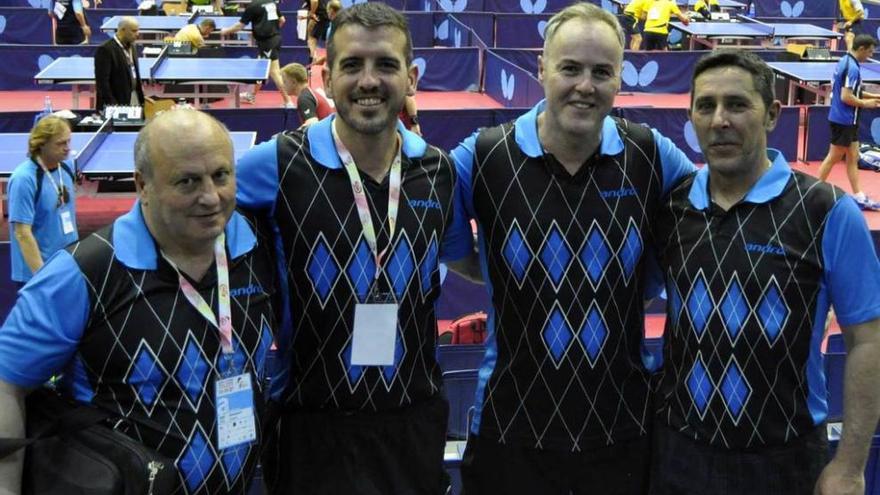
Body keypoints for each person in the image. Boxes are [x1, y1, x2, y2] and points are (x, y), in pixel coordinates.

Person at [447, 3, 695, 494]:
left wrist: (634, 283)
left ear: (619, 78)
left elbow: (707, 223)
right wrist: (503, 274)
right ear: (541, 68)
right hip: (509, 426)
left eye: (602, 72)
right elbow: (451, 247)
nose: (585, 85)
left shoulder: (651, 154)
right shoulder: (482, 156)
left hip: (622, 425)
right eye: (570, 68)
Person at [234, 3, 472, 493]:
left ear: (410, 79)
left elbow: (463, 259)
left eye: (385, 65)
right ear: (328, 74)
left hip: (413, 415)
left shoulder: (439, 171)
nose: (368, 80)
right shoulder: (273, 166)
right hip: (310, 421)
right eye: (352, 65)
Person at [0, 110, 279, 494]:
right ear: (141, 184)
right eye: (187, 182)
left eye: (221, 175)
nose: (210, 197)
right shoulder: (83, 274)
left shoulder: (257, 248)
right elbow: (6, 382)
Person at [650, 48, 880, 495]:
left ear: (773, 114)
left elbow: (868, 340)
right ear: (692, 116)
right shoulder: (673, 207)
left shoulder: (827, 211)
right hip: (678, 449)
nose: (720, 120)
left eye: (737, 104)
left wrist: (850, 464)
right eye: (706, 105)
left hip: (785, 457)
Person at [7, 116, 78, 287]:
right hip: (38, 274)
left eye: (69, 141)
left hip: (66, 266)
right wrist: (42, 276)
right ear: (42, 144)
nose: (67, 148)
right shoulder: (24, 179)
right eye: (61, 143)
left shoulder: (67, 167)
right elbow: (22, 233)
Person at [817, 34, 880, 211]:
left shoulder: (846, 58)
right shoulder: (852, 68)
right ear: (861, 49)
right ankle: (811, 194)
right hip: (843, 119)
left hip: (845, 119)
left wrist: (874, 95)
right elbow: (846, 96)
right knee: (833, 158)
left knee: (853, 157)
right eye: (869, 51)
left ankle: (858, 195)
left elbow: (854, 90)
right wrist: (866, 103)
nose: (870, 55)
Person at [220, 0, 290, 107]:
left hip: (267, 43)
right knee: (259, 70)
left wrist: (225, 31)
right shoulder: (271, 2)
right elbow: (282, 20)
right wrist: (272, 30)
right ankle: (252, 95)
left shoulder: (252, 6)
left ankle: (288, 101)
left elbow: (240, 26)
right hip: (274, 39)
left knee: (275, 73)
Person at [94, 16, 144, 113]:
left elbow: (134, 72)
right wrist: (114, 106)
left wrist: (140, 96)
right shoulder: (105, 49)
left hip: (132, 98)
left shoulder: (132, 46)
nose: (137, 34)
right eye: (134, 31)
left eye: (138, 30)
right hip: (116, 105)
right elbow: (102, 84)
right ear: (122, 30)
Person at [308, 0, 342, 66]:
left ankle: (313, 58)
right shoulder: (334, 26)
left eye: (328, 11)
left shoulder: (335, 29)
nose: (327, 12)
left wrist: (322, 60)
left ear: (331, 11)